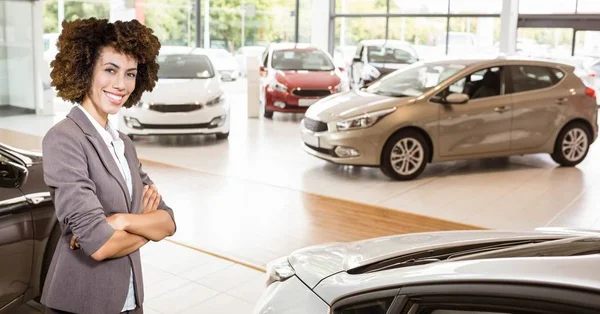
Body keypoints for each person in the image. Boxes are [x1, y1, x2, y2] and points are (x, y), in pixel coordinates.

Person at [41, 18, 176, 314]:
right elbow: (99, 245)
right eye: (110, 70)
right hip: (82, 302)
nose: (121, 84)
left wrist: (121, 221)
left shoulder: (123, 143)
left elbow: (168, 221)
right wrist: (144, 222)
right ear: (85, 69)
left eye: (130, 74)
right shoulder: (63, 139)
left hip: (129, 301)